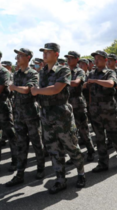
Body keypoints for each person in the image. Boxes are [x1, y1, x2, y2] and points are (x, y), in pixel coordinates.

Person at [32, 43, 85, 194]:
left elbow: (56, 89)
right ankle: (60, 179)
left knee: (71, 146)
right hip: (46, 114)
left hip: (61, 114)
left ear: (56, 54)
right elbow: (39, 91)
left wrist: (37, 91)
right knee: (53, 149)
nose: (44, 54)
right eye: (43, 52)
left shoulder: (63, 69)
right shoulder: (42, 72)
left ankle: (81, 173)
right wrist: (37, 92)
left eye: (48, 52)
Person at [5, 48, 46, 187]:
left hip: (31, 114)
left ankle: (41, 168)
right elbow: (15, 91)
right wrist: (14, 89)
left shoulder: (33, 73)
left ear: (28, 57)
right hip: (19, 114)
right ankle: (20, 173)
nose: (17, 57)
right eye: (17, 55)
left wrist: (14, 87)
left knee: (36, 142)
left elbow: (29, 90)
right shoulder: (16, 74)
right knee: (21, 145)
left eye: (20, 55)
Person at [86, 50, 117, 173]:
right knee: (99, 138)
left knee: (115, 136)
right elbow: (88, 90)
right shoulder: (91, 73)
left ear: (105, 60)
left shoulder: (110, 72)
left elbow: (111, 83)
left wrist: (95, 81)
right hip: (95, 111)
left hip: (109, 110)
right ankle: (103, 163)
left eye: (99, 58)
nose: (96, 60)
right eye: (95, 58)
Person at [65, 51, 95, 161]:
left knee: (83, 131)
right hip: (66, 104)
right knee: (70, 132)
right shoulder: (65, 71)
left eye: (71, 58)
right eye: (67, 58)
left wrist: (61, 81)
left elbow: (76, 82)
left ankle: (91, 151)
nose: (68, 60)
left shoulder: (80, 71)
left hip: (78, 104)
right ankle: (75, 155)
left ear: (77, 59)